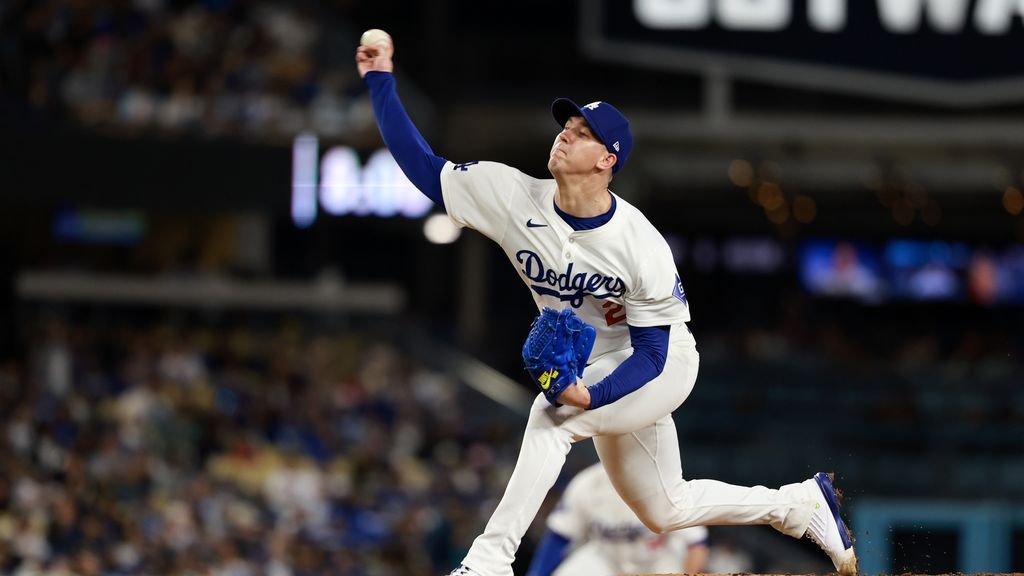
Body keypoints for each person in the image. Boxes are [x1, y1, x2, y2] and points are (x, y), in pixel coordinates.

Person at [355, 35, 858, 576]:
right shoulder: (511, 195)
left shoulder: (639, 243)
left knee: (552, 417)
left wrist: (589, 394)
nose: (565, 137)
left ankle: (489, 561)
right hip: (597, 364)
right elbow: (423, 167)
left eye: (582, 134)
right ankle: (798, 505)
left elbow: (652, 354)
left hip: (658, 365)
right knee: (666, 510)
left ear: (607, 159)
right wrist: (380, 80)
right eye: (565, 128)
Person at [526, 462, 709, 576]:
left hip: (657, 562)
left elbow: (697, 545)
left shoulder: (664, 482)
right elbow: (559, 536)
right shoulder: (587, 482)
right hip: (607, 559)